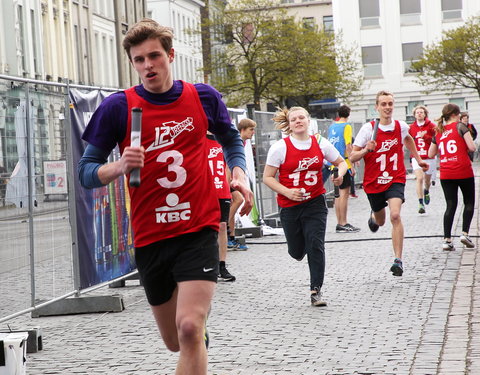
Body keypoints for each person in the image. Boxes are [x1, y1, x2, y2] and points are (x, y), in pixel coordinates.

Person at [77, 19, 253, 375]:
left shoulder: (202, 96)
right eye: (139, 59)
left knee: (189, 326)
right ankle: (196, 343)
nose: (147, 65)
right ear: (132, 63)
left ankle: (196, 337)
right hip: (151, 234)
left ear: (170, 55)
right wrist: (118, 166)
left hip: (198, 227)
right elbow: (85, 171)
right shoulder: (118, 107)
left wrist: (238, 170)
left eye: (154, 56)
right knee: (176, 339)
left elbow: (231, 139)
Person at [263, 106, 348, 306]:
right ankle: (298, 250)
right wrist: (286, 191)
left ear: (308, 121)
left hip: (315, 202)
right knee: (297, 251)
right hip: (289, 205)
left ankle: (316, 290)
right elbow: (267, 177)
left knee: (315, 244)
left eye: (302, 117)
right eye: (294, 119)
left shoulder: (320, 143)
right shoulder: (280, 147)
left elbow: (341, 162)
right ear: (290, 124)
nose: (298, 121)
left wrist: (340, 174)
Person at [349, 91, 428, 277]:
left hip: (395, 177)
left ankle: (398, 260)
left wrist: (418, 159)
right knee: (382, 220)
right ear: (376, 107)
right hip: (374, 182)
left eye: (390, 104)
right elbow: (352, 156)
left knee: (394, 216)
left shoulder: (400, 126)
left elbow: (408, 139)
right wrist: (366, 150)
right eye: (383, 104)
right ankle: (374, 217)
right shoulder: (369, 129)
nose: (387, 107)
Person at [428, 104, 476, 250]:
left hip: (446, 173)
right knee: (468, 202)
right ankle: (464, 233)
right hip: (463, 170)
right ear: (456, 114)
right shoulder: (461, 127)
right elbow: (472, 147)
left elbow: (430, 154)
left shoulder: (438, 131)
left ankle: (447, 240)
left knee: (450, 205)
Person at [206, 132, 236, 281]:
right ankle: (207, 264)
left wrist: (228, 189)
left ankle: (222, 265)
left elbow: (228, 167)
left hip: (221, 189)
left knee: (222, 226)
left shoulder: (223, 140)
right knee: (206, 229)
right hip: (204, 190)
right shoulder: (198, 139)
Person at [327, 105, 360, 232]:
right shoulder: (346, 126)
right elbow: (348, 145)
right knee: (344, 194)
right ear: (348, 114)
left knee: (337, 194)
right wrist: (351, 163)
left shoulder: (332, 126)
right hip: (343, 162)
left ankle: (339, 222)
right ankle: (343, 222)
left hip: (333, 162)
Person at [227, 118, 257, 250]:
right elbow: (227, 162)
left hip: (231, 177)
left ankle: (231, 238)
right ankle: (222, 225)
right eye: (251, 129)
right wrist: (230, 181)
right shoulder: (234, 140)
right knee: (238, 200)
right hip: (226, 178)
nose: (253, 132)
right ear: (243, 130)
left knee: (232, 206)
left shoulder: (243, 142)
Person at [408, 105, 437, 214]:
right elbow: (408, 142)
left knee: (427, 180)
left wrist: (425, 136)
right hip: (417, 157)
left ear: (425, 114)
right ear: (414, 115)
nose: (419, 114)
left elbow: (436, 140)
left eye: (421, 112)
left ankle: (427, 190)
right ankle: (420, 203)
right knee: (419, 178)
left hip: (429, 156)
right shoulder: (411, 128)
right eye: (417, 112)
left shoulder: (432, 126)